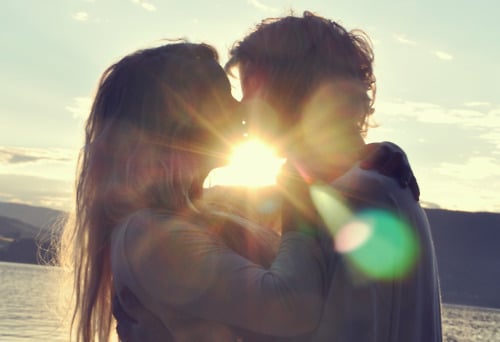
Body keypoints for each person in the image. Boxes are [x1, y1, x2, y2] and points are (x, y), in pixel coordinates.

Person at [61, 41, 330, 342]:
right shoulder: (147, 236)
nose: (240, 106)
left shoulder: (195, 218)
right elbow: (291, 308)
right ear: (177, 119)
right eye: (222, 97)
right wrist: (299, 192)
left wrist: (361, 167)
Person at [224, 10, 443, 341]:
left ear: (288, 90)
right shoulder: (356, 186)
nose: (241, 107)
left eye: (250, 90)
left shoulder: (364, 196)